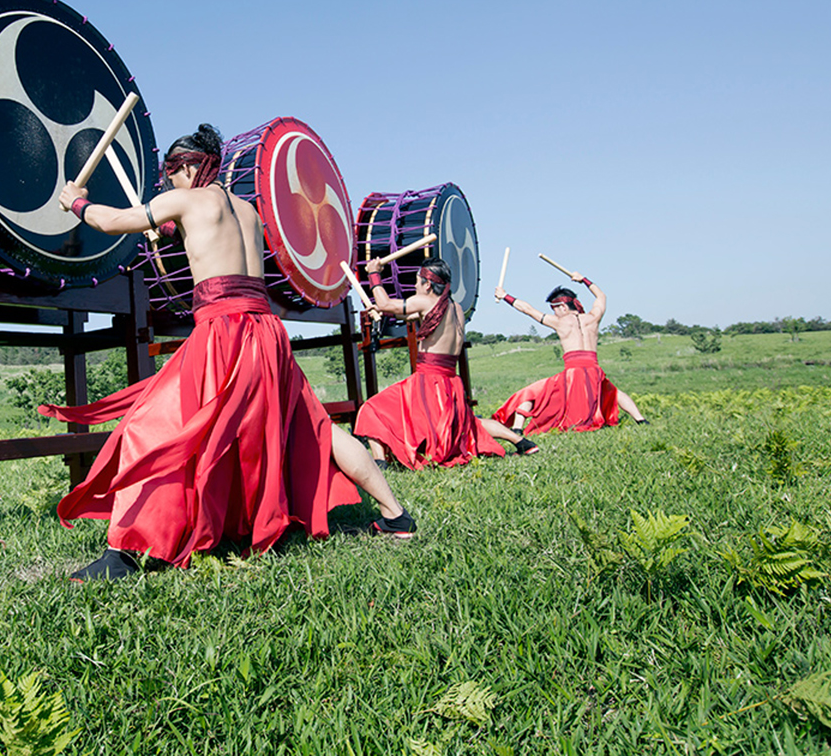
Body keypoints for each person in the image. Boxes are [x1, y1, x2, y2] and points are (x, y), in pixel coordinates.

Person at [42, 124, 416, 581]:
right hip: (267, 331)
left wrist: (76, 202)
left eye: (172, 173)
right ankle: (395, 515)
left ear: (190, 166)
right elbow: (210, 242)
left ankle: (124, 552)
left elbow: (113, 222)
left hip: (224, 331)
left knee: (151, 426)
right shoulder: (248, 210)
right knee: (315, 427)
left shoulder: (186, 200)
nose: (170, 182)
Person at [355, 256, 538, 468]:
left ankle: (380, 462)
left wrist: (374, 273)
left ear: (427, 284)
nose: (415, 286)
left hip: (428, 381)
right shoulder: (455, 307)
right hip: (451, 381)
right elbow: (412, 315)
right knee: (468, 424)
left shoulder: (426, 301)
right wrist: (383, 310)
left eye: (417, 281)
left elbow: (386, 303)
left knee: (372, 409)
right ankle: (522, 442)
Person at [490, 272, 648, 436]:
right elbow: (601, 296)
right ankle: (641, 420)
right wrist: (584, 280)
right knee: (613, 392)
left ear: (563, 307)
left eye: (554, 309)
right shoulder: (593, 318)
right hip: (595, 371)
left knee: (530, 393)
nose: (554, 313)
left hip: (573, 374)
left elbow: (528, 310)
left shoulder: (559, 322)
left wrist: (505, 296)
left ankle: (517, 429)